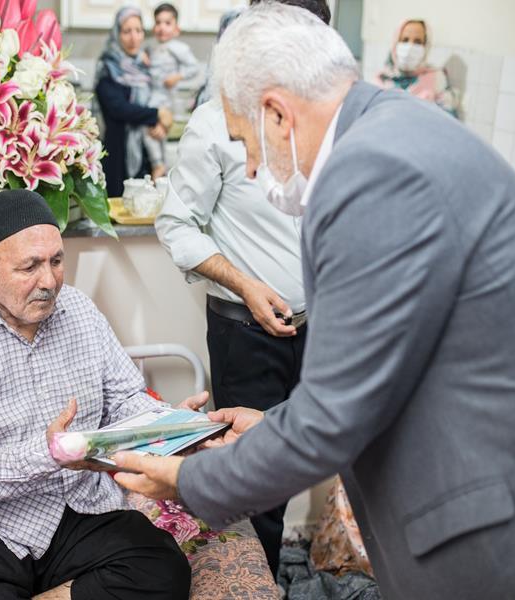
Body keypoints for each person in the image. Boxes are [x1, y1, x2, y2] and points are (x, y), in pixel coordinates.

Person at [114, 4, 515, 599]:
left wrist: (186, 478)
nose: (250, 168)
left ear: (277, 113)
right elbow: (373, 379)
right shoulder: (392, 126)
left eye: (246, 143)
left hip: (483, 525)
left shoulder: (368, 171)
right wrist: (271, 425)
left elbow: (331, 419)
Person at [0, 189, 203, 600]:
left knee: (164, 569)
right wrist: (47, 455)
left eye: (56, 261)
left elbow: (124, 399)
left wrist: (172, 426)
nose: (48, 281)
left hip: (74, 507)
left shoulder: (80, 311)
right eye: (29, 266)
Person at [155, 0, 330, 578]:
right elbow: (176, 224)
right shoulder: (216, 122)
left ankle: (276, 575)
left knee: (307, 456)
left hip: (321, 329)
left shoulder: (324, 124)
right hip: (246, 334)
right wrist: (247, 284)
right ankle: (253, 582)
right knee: (255, 484)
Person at [95, 6, 173, 197]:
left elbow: (157, 97)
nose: (134, 37)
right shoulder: (108, 67)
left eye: (138, 30)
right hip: (117, 156)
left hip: (146, 155)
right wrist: (156, 114)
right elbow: (119, 108)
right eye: (127, 31)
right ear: (117, 33)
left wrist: (160, 125)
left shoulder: (145, 66)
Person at [142, 3, 200, 179]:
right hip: (153, 95)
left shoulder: (179, 47)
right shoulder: (150, 46)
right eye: (158, 22)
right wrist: (143, 57)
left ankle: (159, 164)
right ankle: (160, 166)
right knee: (153, 132)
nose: (162, 27)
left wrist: (177, 76)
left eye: (167, 23)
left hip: (166, 98)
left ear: (176, 29)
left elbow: (194, 67)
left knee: (151, 129)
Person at [374, 19, 459, 117]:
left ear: (426, 46)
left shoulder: (437, 79)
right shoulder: (381, 79)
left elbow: (448, 120)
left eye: (418, 42)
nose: (410, 46)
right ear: (395, 43)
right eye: (405, 40)